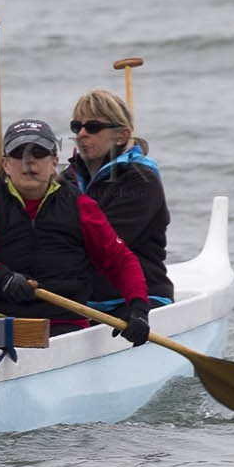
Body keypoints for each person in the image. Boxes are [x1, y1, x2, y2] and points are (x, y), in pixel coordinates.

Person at [0, 119, 151, 343]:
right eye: (19, 153)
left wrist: (138, 308)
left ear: (54, 161)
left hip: (64, 323)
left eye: (38, 152)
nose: (29, 161)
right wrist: (3, 277)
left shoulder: (79, 205)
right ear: (6, 164)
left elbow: (120, 260)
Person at [62, 90, 173, 307]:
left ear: (122, 136)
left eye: (93, 127)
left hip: (137, 298)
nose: (82, 134)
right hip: (82, 299)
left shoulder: (141, 181)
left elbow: (102, 243)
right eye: (77, 127)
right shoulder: (66, 179)